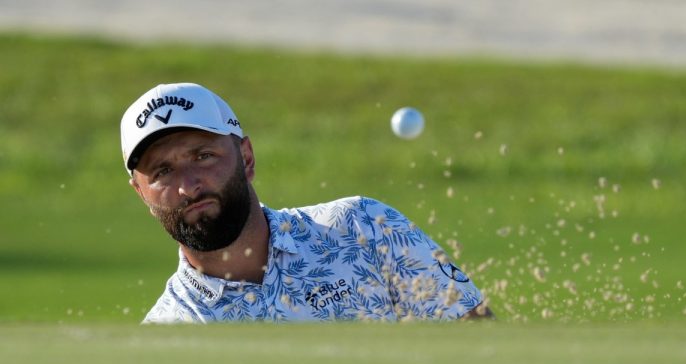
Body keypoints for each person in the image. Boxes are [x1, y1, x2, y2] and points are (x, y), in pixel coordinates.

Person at [120, 83, 492, 323]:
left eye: (203, 156)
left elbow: (480, 344)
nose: (188, 186)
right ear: (140, 191)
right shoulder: (168, 335)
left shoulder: (363, 229)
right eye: (163, 172)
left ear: (246, 158)